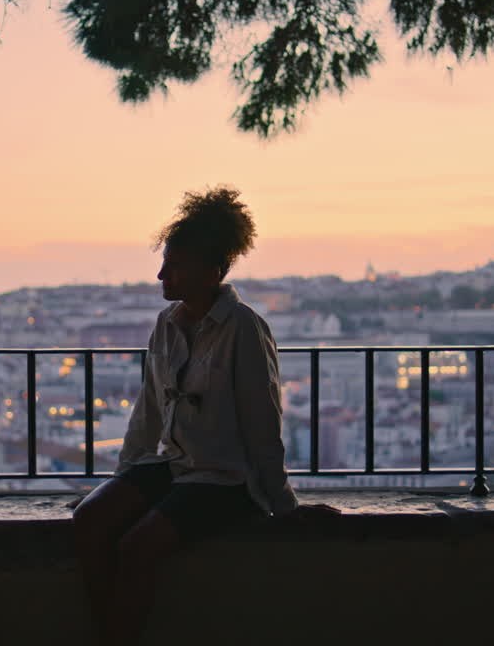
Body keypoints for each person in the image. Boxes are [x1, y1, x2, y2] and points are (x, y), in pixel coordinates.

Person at [71, 186, 337, 646]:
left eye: (174, 264)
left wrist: (282, 504)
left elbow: (262, 423)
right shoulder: (167, 325)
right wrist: (121, 483)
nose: (161, 274)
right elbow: (149, 410)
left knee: (137, 548)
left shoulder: (245, 330)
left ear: (212, 270)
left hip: (223, 480)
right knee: (90, 520)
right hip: (174, 468)